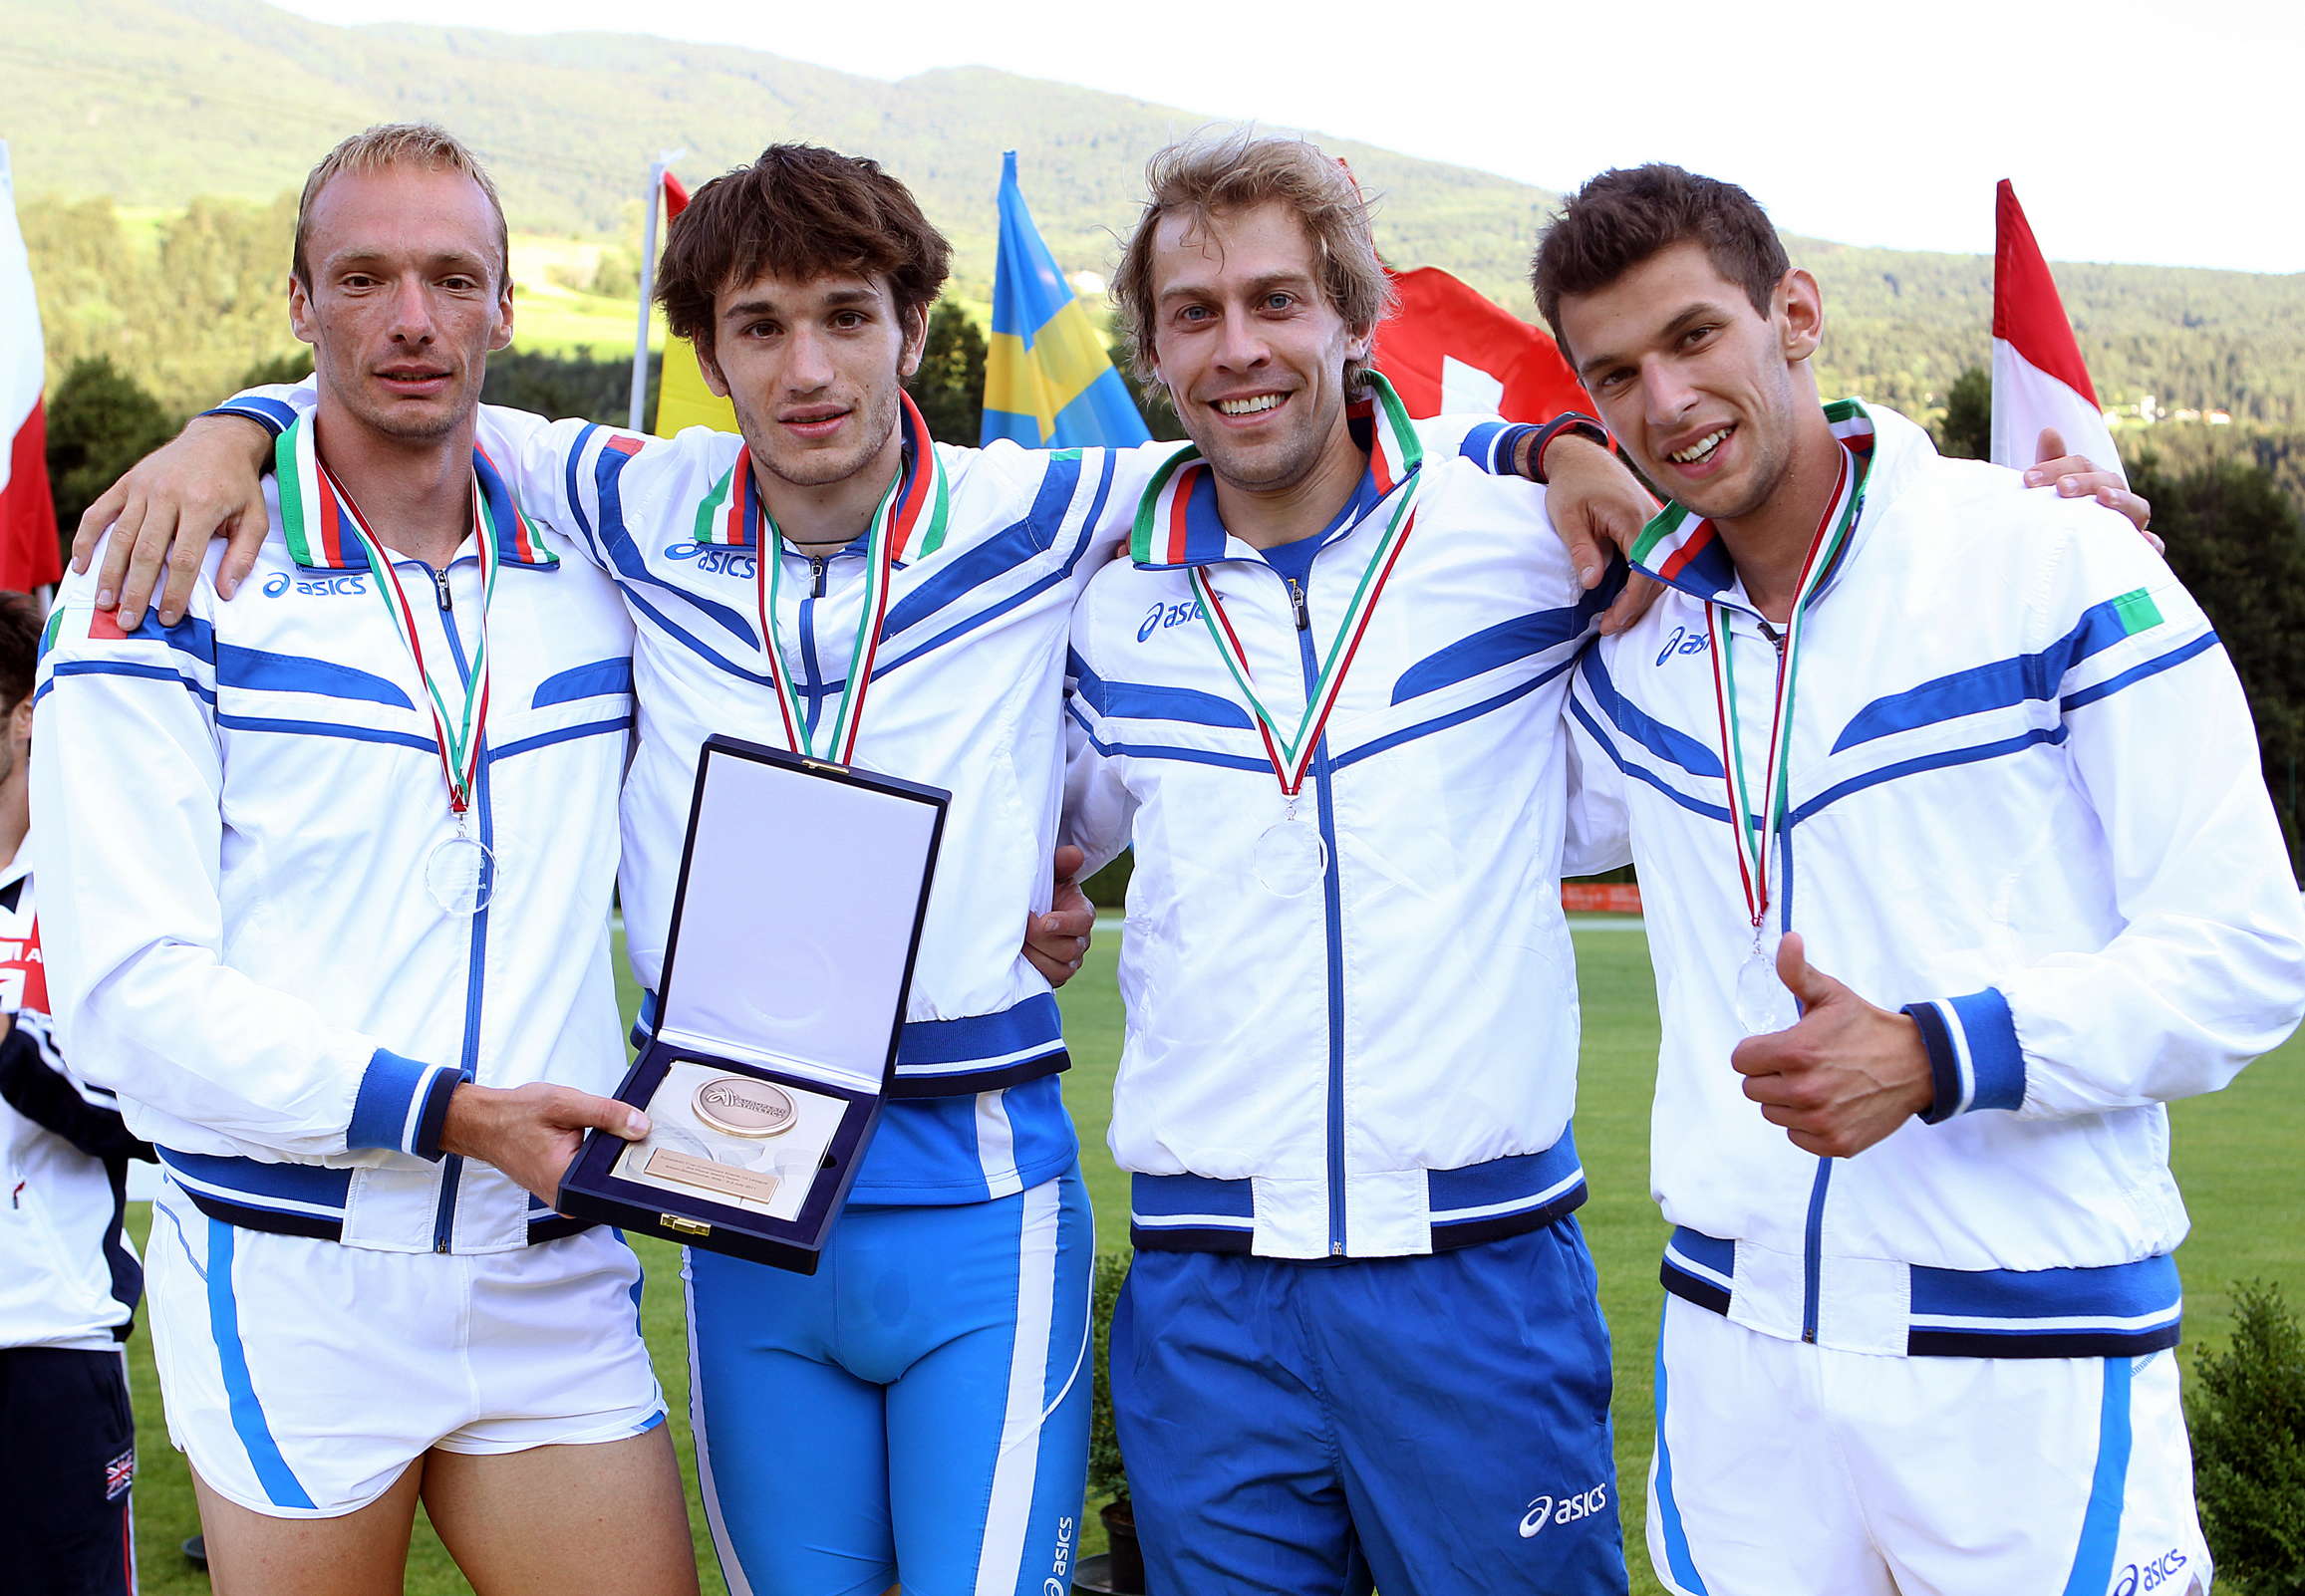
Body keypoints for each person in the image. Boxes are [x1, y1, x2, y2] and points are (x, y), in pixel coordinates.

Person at [75, 137, 1659, 1595]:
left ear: (915, 332)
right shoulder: (628, 503)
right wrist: (229, 429)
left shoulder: (1044, 507)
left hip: (980, 1181)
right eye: (759, 328)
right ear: (709, 357)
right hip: (726, 1179)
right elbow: (401, 387)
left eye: (848, 317)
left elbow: (1282, 432)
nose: (809, 367)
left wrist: (1553, 442)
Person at [1536, 162, 2305, 1596]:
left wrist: (1936, 1052)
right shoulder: (1639, 645)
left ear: (1795, 312)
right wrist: (1537, 453)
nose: (1666, 401)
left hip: (2025, 1365)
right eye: (1614, 375)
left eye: (1695, 336)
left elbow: (2251, 949)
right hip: (1740, 1367)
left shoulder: (2053, 556)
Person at [33, 125, 700, 1596]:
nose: (412, 319)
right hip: (294, 1262)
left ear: (506, 309)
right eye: (362, 278)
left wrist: (1033, 861)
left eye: (454, 280)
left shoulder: (595, 555)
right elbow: (126, 991)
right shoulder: (162, 575)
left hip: (545, 1259)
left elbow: (817, 525)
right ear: (298, 302)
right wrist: (451, 1113)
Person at [0, 590, 153, 1596]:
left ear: (25, 714)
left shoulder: (94, 892)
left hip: (43, 1338)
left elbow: (153, 1112)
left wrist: (15, 1050)